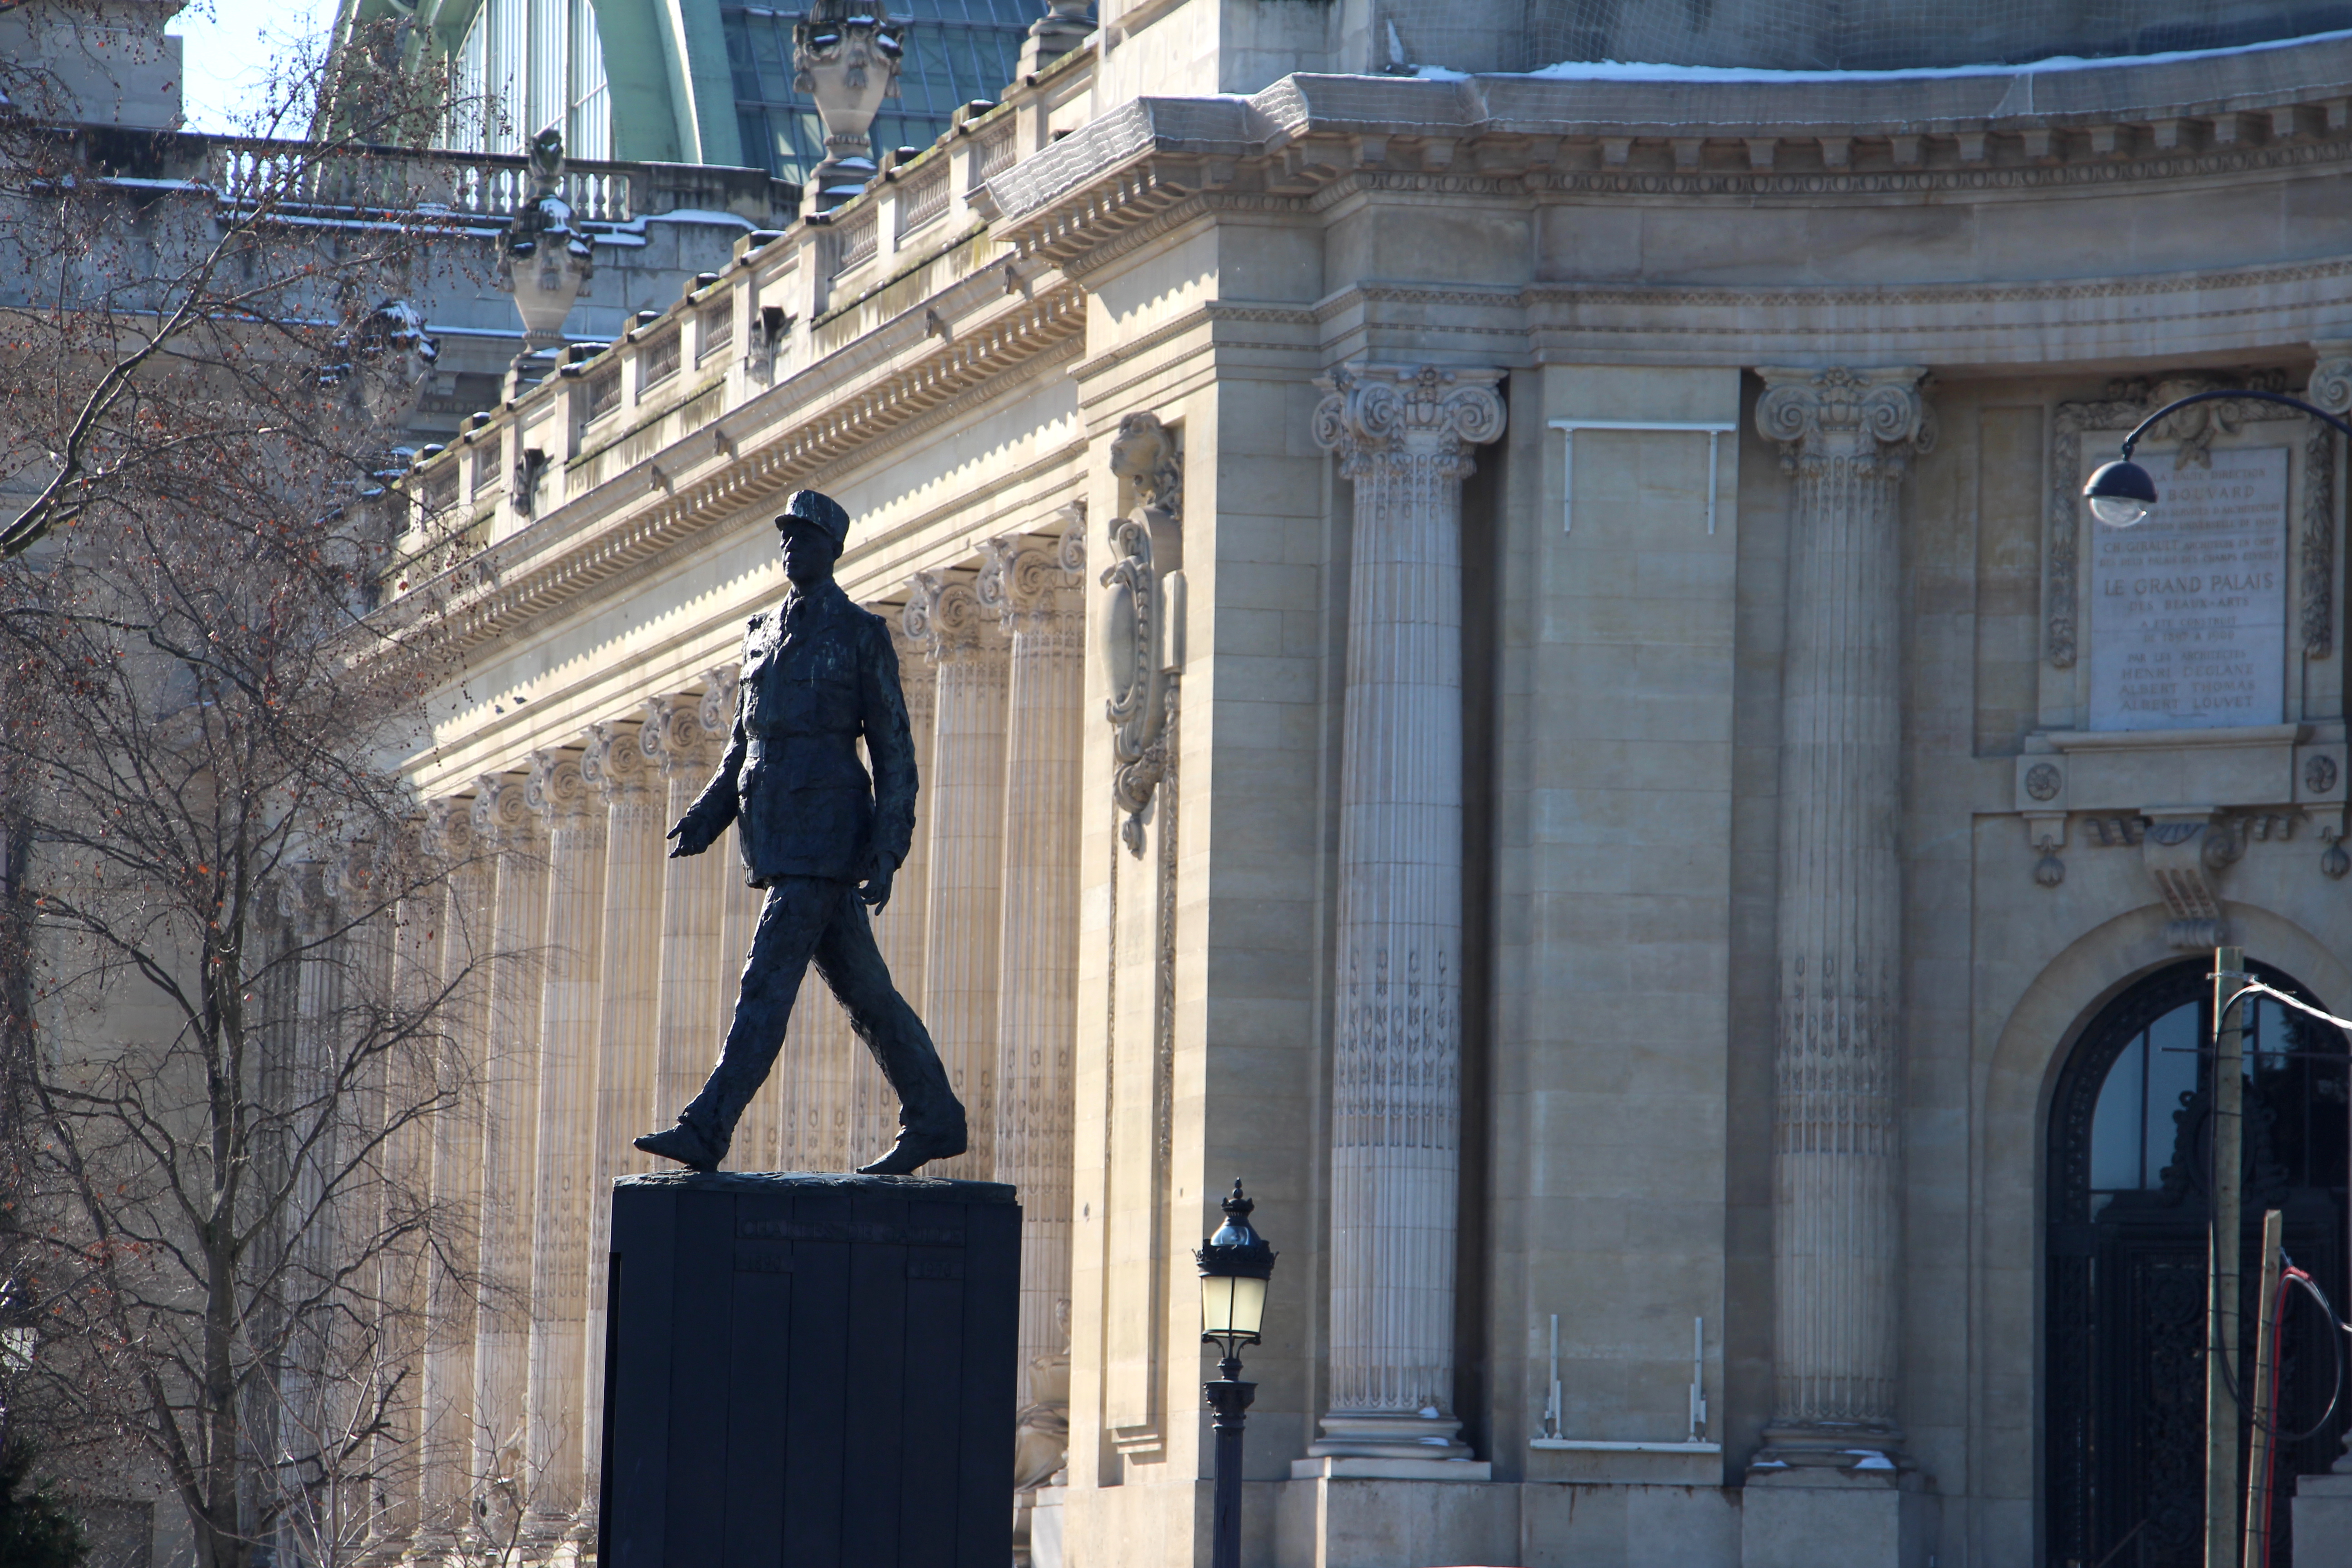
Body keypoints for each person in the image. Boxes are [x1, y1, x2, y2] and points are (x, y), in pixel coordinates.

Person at [632, 489, 966, 1177]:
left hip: (827, 839)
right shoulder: (758, 632)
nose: (791, 545)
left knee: (766, 982)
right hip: (778, 838)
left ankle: (708, 1127)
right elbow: (744, 743)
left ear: (832, 550)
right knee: (867, 994)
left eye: (805, 536)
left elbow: (895, 752)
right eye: (786, 534)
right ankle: (936, 1115)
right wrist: (708, 813)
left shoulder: (859, 635)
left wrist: (887, 846)